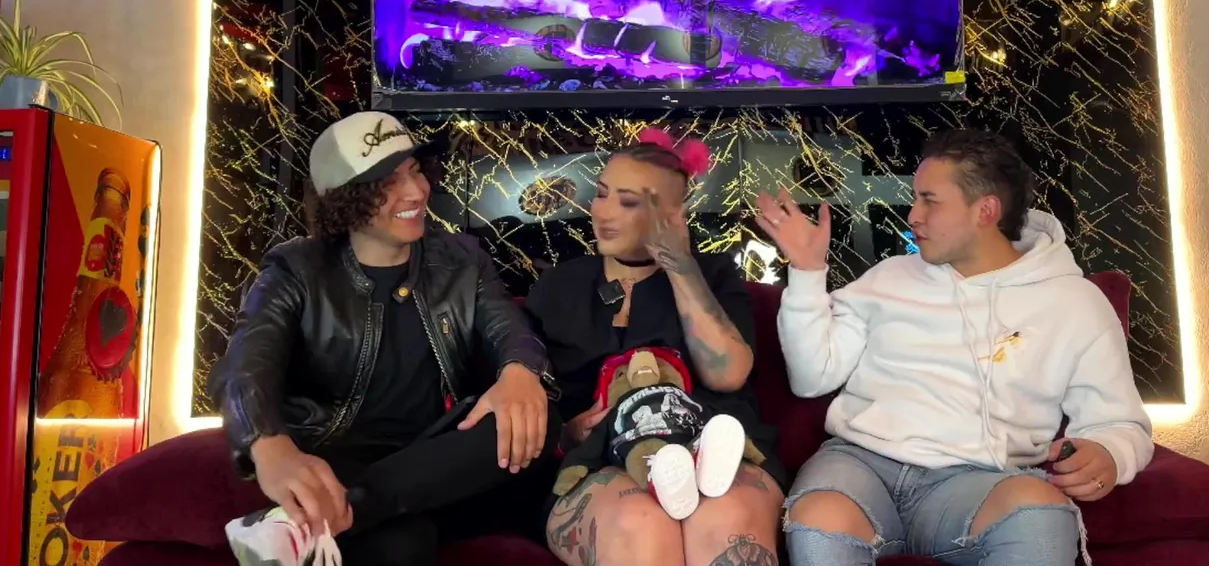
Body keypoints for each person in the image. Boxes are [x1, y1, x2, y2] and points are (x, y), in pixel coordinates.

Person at [757, 129, 1153, 566]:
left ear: (985, 210)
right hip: (860, 466)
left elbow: (1120, 422)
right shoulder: (889, 277)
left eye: (930, 201)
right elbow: (812, 378)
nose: (913, 215)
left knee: (1041, 517)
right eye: (915, 199)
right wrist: (807, 271)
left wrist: (1111, 454)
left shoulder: (1074, 302)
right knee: (819, 521)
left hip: (977, 484)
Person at [208, 111, 560, 566]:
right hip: (339, 454)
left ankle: (334, 515)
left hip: (439, 455)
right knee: (402, 544)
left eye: (414, 171)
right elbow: (244, 365)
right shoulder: (295, 269)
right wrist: (268, 444)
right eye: (388, 182)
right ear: (346, 199)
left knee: (538, 414)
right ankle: (358, 509)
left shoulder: (461, 259)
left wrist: (520, 372)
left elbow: (511, 331)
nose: (416, 191)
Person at [528, 129, 787, 566]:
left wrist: (681, 267)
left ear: (673, 215)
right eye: (602, 194)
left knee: (726, 517)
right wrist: (567, 432)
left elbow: (727, 374)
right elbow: (528, 393)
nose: (604, 212)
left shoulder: (713, 275)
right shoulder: (559, 286)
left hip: (716, 453)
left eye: (628, 202)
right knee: (640, 522)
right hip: (598, 465)